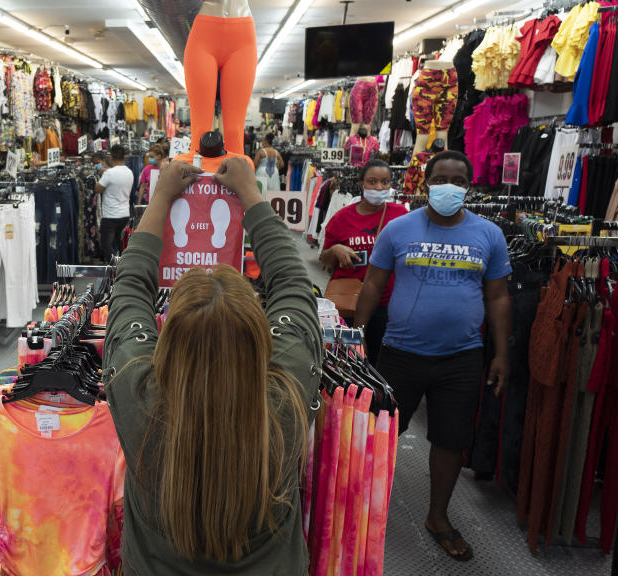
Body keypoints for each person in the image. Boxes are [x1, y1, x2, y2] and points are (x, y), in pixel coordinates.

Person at [103, 158, 322, 573]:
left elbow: (129, 285)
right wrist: (251, 194)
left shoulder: (138, 395)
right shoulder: (287, 399)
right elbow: (294, 284)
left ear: (166, 340)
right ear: (262, 339)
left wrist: (161, 196)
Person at [354, 150, 512, 562]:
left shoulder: (489, 235)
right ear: (425, 183)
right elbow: (372, 284)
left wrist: (501, 354)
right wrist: (357, 336)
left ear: (469, 186)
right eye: (440, 177)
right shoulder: (397, 229)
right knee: (381, 436)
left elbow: (498, 297)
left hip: (461, 357)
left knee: (450, 441)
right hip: (400, 353)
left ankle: (437, 517)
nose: (449, 186)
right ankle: (367, 510)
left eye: (458, 180)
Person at [320, 159, 408, 365]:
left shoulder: (401, 215)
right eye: (372, 182)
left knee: (380, 362)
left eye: (385, 182)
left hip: (387, 304)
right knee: (347, 362)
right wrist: (335, 250)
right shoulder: (342, 217)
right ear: (361, 184)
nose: (379, 187)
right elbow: (324, 258)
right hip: (349, 302)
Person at [96, 144, 135, 262]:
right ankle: (124, 264)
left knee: (106, 244)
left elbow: (98, 189)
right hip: (124, 214)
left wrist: (100, 174)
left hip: (110, 215)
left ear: (111, 157)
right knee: (120, 242)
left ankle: (117, 267)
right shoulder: (129, 172)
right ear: (124, 157)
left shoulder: (109, 173)